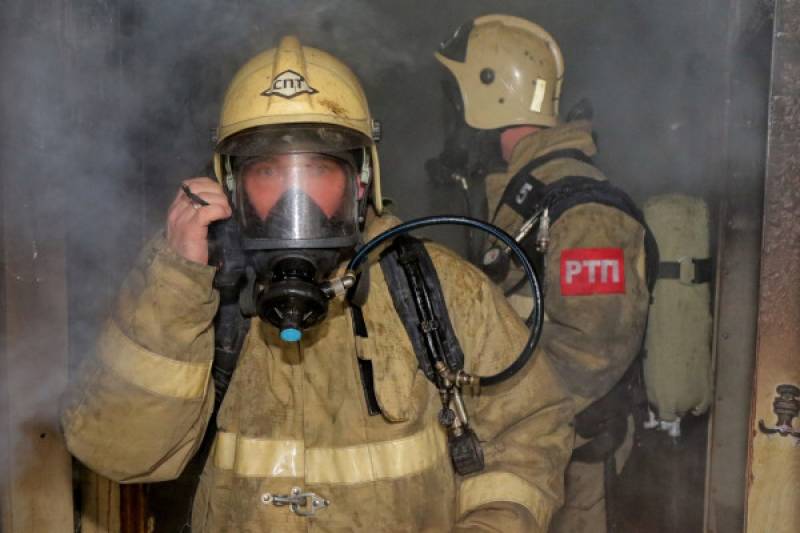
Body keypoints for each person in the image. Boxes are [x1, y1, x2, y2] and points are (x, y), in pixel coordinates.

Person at [61, 35, 575, 532]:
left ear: (360, 181)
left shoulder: (436, 287)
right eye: (268, 173)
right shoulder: (197, 292)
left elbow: (531, 429)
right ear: (232, 185)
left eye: (317, 172)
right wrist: (177, 277)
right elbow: (120, 453)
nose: (295, 200)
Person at [430, 15, 654, 532]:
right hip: (528, 454)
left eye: (457, 99)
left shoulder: (586, 213)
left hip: (571, 465)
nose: (454, 117)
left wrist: (506, 420)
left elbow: (592, 353)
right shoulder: (524, 193)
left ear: (488, 98)